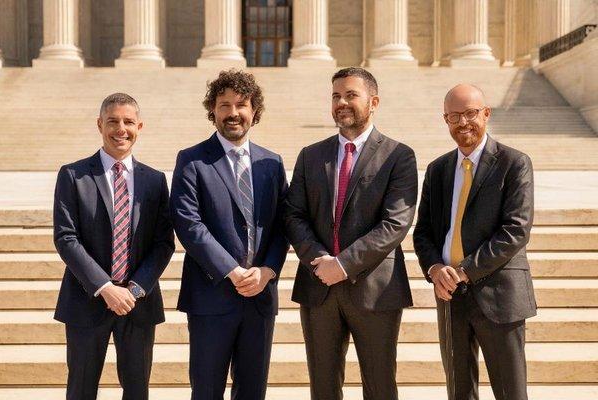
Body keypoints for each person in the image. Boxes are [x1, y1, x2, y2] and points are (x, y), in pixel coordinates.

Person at [284, 67, 418, 400]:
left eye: (350, 95)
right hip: (319, 289)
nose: (341, 102)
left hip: (375, 289)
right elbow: (294, 214)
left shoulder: (398, 156)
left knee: (380, 386)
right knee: (323, 388)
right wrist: (319, 260)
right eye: (335, 96)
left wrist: (342, 265)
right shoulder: (310, 155)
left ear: (373, 102)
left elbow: (395, 223)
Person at [170, 69, 289, 400]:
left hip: (260, 297)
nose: (233, 113)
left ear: (254, 111)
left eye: (241, 104)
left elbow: (283, 225)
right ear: (213, 111)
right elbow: (188, 223)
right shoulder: (192, 160)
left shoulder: (272, 163)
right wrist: (232, 271)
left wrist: (268, 271)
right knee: (207, 391)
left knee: (253, 391)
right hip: (211, 296)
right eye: (224, 105)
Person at [413, 84, 536, 400]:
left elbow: (515, 230)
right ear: (445, 120)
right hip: (450, 295)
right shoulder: (438, 169)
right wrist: (435, 268)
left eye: (470, 113)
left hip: (499, 295)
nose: (463, 122)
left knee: (510, 392)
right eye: (454, 116)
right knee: (459, 392)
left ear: (486, 113)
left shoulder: (514, 163)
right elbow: (423, 231)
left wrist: (465, 270)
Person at [53, 93, 175, 400]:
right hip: (86, 299)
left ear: (139, 126)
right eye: (113, 121)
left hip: (138, 303)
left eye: (128, 122)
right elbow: (66, 238)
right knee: (80, 389)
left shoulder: (155, 180)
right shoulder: (73, 175)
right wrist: (106, 287)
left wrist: (133, 290)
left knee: (137, 391)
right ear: (99, 124)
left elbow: (163, 243)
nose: (121, 129)